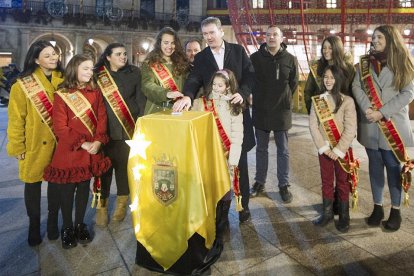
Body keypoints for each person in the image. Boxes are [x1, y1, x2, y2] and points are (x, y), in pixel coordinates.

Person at [173, 17, 255, 227]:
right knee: (217, 166)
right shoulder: (201, 57)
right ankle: (221, 213)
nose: (208, 37)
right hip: (215, 119)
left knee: (241, 163)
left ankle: (243, 206)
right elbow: (194, 80)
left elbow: (250, 76)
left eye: (211, 33)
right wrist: (188, 96)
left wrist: (243, 94)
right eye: (205, 34)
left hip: (236, 113)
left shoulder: (237, 51)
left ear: (220, 31)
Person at [43, 54, 111, 249]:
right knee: (66, 192)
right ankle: (67, 228)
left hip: (91, 149)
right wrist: (82, 144)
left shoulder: (95, 92)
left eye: (91, 69)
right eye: (85, 69)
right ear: (74, 69)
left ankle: (80, 224)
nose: (90, 72)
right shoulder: (62, 94)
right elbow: (60, 127)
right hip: (71, 150)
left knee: (83, 190)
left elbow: (101, 118)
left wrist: (98, 140)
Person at [353, 25, 414, 232]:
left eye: (379, 37)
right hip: (370, 125)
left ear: (390, 39)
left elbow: (408, 93)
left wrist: (382, 112)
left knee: (393, 167)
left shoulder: (402, 62)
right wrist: (367, 108)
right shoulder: (363, 63)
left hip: (392, 125)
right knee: (375, 167)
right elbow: (356, 86)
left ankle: (395, 211)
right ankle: (378, 208)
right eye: (373, 37)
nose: (374, 40)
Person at [7, 40, 63, 246]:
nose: (53, 58)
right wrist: (18, 146)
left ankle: (52, 222)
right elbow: (16, 119)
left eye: (54, 54)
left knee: (57, 185)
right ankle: (33, 224)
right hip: (34, 143)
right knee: (32, 185)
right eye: (47, 56)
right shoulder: (22, 85)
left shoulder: (64, 81)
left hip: (59, 144)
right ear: (36, 59)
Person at [95, 43, 146, 226]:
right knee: (104, 170)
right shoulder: (98, 75)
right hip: (105, 130)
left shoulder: (134, 73)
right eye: (118, 54)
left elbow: (140, 100)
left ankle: (121, 204)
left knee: (124, 169)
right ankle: (102, 205)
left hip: (127, 129)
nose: (123, 57)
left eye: (125, 54)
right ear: (108, 57)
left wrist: (140, 122)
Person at [249, 25, 299, 203]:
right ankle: (259, 182)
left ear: (281, 38)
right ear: (265, 37)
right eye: (268, 35)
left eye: (275, 35)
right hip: (261, 110)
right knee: (261, 149)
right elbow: (250, 81)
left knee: (283, 150)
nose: (271, 38)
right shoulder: (254, 58)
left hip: (281, 112)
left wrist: (284, 99)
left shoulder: (290, 59)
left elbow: (293, 83)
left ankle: (283, 185)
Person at [309, 65, 357, 232]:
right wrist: (323, 147)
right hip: (325, 150)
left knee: (343, 183)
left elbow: (350, 128)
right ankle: (327, 213)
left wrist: (338, 150)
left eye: (332, 77)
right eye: (325, 77)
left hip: (342, 151)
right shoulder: (317, 100)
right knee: (326, 182)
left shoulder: (347, 101)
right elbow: (313, 126)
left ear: (338, 80)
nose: (328, 80)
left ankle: (344, 216)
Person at [193, 69, 244, 208]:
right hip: (206, 151)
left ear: (228, 86)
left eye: (220, 85)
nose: (216, 88)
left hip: (225, 154)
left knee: (224, 184)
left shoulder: (234, 104)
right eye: (214, 84)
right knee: (207, 184)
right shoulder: (201, 102)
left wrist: (233, 159)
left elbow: (237, 133)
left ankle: (223, 218)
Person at [141, 27, 189, 115]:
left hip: (179, 109)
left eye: (173, 43)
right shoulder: (150, 63)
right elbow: (147, 85)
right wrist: (166, 93)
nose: (169, 46)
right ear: (159, 43)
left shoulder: (183, 62)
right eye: (166, 43)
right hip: (157, 110)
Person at [304, 36, 355, 114]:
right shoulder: (316, 67)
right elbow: (308, 91)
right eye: (324, 48)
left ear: (337, 49)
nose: (326, 51)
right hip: (322, 114)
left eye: (330, 48)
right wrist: (312, 111)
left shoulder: (349, 69)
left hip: (343, 113)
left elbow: (352, 92)